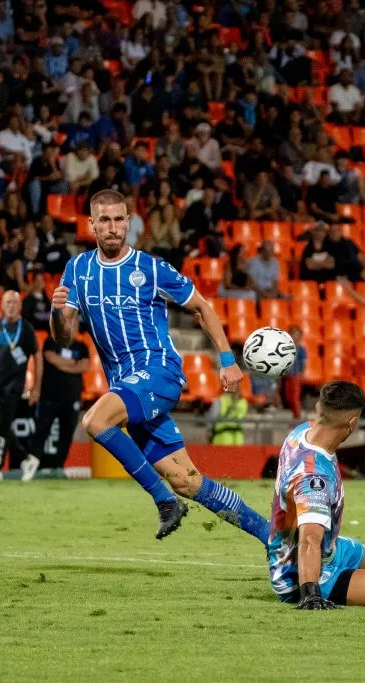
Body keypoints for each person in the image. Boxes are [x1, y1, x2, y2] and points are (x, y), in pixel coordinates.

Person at [51, 189, 269, 541]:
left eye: (119, 219)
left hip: (160, 372)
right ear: (91, 224)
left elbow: (202, 308)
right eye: (104, 220)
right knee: (186, 480)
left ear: (128, 222)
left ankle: (164, 501)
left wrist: (228, 360)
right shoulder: (77, 270)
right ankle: (272, 537)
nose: (112, 227)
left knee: (95, 420)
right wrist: (56, 312)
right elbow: (64, 337)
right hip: (127, 386)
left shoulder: (151, 268)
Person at [268, 380, 365, 609]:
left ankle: (344, 572)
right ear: (352, 422)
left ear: (318, 408)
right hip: (301, 570)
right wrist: (311, 593)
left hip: (322, 547)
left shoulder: (301, 431)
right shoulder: (314, 478)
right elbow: (309, 539)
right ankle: (319, 586)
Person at [0, 291, 43, 482]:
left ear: (20, 306)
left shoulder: (26, 328)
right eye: (8, 302)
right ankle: (26, 459)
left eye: (15, 302)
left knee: (2, 424)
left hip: (15, 384)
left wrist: (36, 387)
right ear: (2, 305)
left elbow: (37, 358)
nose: (11, 306)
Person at [31, 335, 89, 472]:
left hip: (72, 397)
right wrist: (74, 363)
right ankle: (34, 464)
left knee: (67, 433)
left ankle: (59, 466)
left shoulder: (81, 346)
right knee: (42, 430)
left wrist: (61, 364)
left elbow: (85, 365)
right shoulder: (51, 341)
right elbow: (50, 357)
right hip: (49, 396)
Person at [209, 380, 249, 445]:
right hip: (238, 441)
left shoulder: (219, 401)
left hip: (220, 441)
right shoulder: (244, 402)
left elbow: (210, 423)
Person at [281, 326, 306, 419]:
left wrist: (301, 374)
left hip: (295, 376)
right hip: (286, 376)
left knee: (294, 398)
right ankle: (293, 416)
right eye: (292, 334)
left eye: (296, 335)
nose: (294, 337)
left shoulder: (301, 349)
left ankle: (297, 417)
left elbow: (303, 363)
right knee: (288, 397)